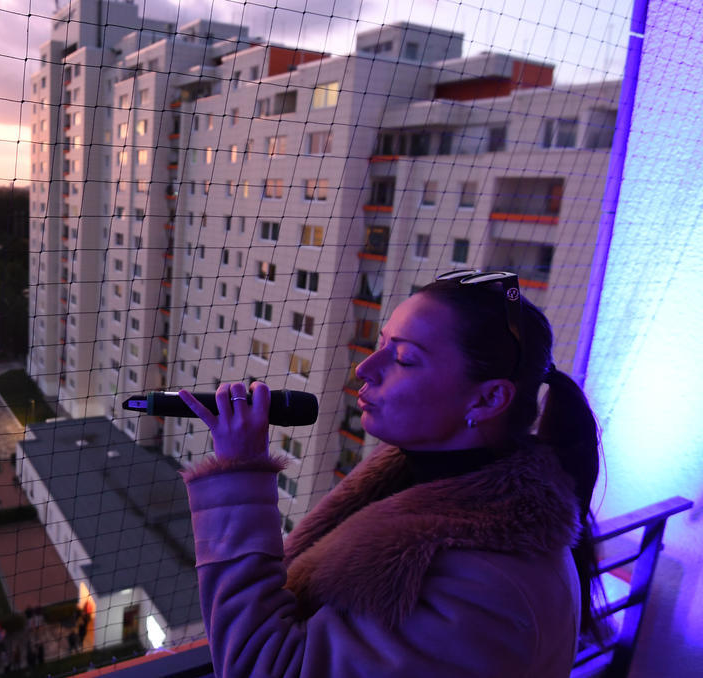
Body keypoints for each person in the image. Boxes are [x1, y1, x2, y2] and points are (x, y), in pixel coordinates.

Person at [179, 271, 604, 678]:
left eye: (403, 357)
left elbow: (265, 669)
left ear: (488, 398)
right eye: (382, 344)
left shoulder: (487, 591)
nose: (365, 368)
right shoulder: (425, 487)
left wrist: (239, 474)